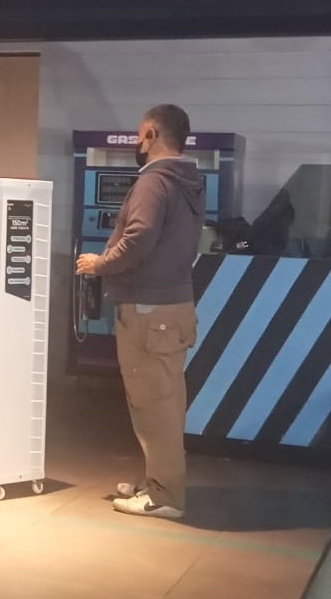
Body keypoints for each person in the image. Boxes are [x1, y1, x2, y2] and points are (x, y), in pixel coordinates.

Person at [76, 104, 205, 519]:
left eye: (139, 134)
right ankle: (158, 482)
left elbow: (140, 236)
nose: (137, 142)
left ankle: (164, 496)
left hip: (150, 312)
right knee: (164, 402)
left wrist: (101, 263)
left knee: (155, 406)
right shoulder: (186, 180)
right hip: (170, 308)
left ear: (152, 133)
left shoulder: (153, 182)